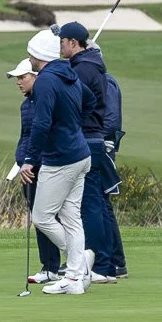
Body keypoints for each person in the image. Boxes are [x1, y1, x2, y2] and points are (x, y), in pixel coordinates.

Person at [18, 28, 91, 295]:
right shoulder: (68, 73)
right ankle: (74, 278)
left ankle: (78, 263)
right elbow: (89, 101)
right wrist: (71, 125)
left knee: (42, 216)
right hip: (80, 155)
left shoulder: (47, 80)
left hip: (60, 160)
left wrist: (29, 160)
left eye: (31, 54)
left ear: (38, 55)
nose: (29, 58)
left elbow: (41, 125)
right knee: (71, 218)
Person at [58, 21, 126, 283]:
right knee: (95, 204)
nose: (60, 45)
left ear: (73, 43)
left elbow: (77, 106)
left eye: (63, 41)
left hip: (86, 140)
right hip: (91, 140)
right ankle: (107, 265)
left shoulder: (84, 70)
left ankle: (100, 264)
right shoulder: (88, 66)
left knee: (90, 205)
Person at [8, 57, 63, 283]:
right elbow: (25, 137)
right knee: (39, 218)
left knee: (48, 217)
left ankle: (66, 263)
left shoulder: (43, 100)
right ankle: (49, 267)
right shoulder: (26, 104)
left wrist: (30, 161)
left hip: (43, 166)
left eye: (23, 77)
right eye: (17, 78)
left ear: (36, 77)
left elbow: (41, 136)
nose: (18, 82)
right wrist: (21, 161)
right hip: (28, 168)